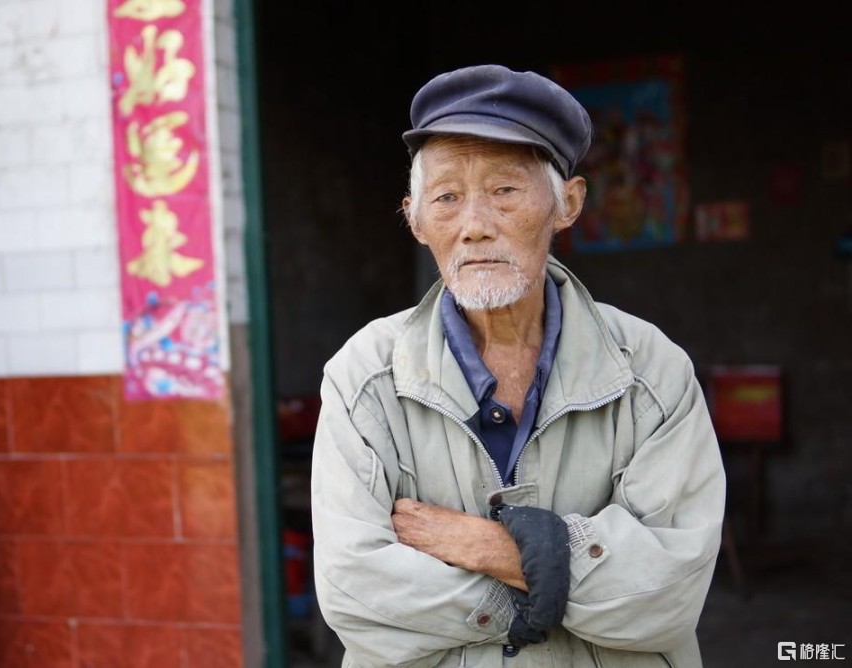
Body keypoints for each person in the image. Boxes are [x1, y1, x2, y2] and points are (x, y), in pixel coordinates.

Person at [310, 64, 725, 667]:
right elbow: (356, 591)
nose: (475, 227)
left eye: (505, 191)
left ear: (567, 204)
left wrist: (497, 550)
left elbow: (668, 594)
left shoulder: (651, 371)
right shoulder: (364, 377)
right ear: (416, 219)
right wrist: (545, 592)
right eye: (447, 198)